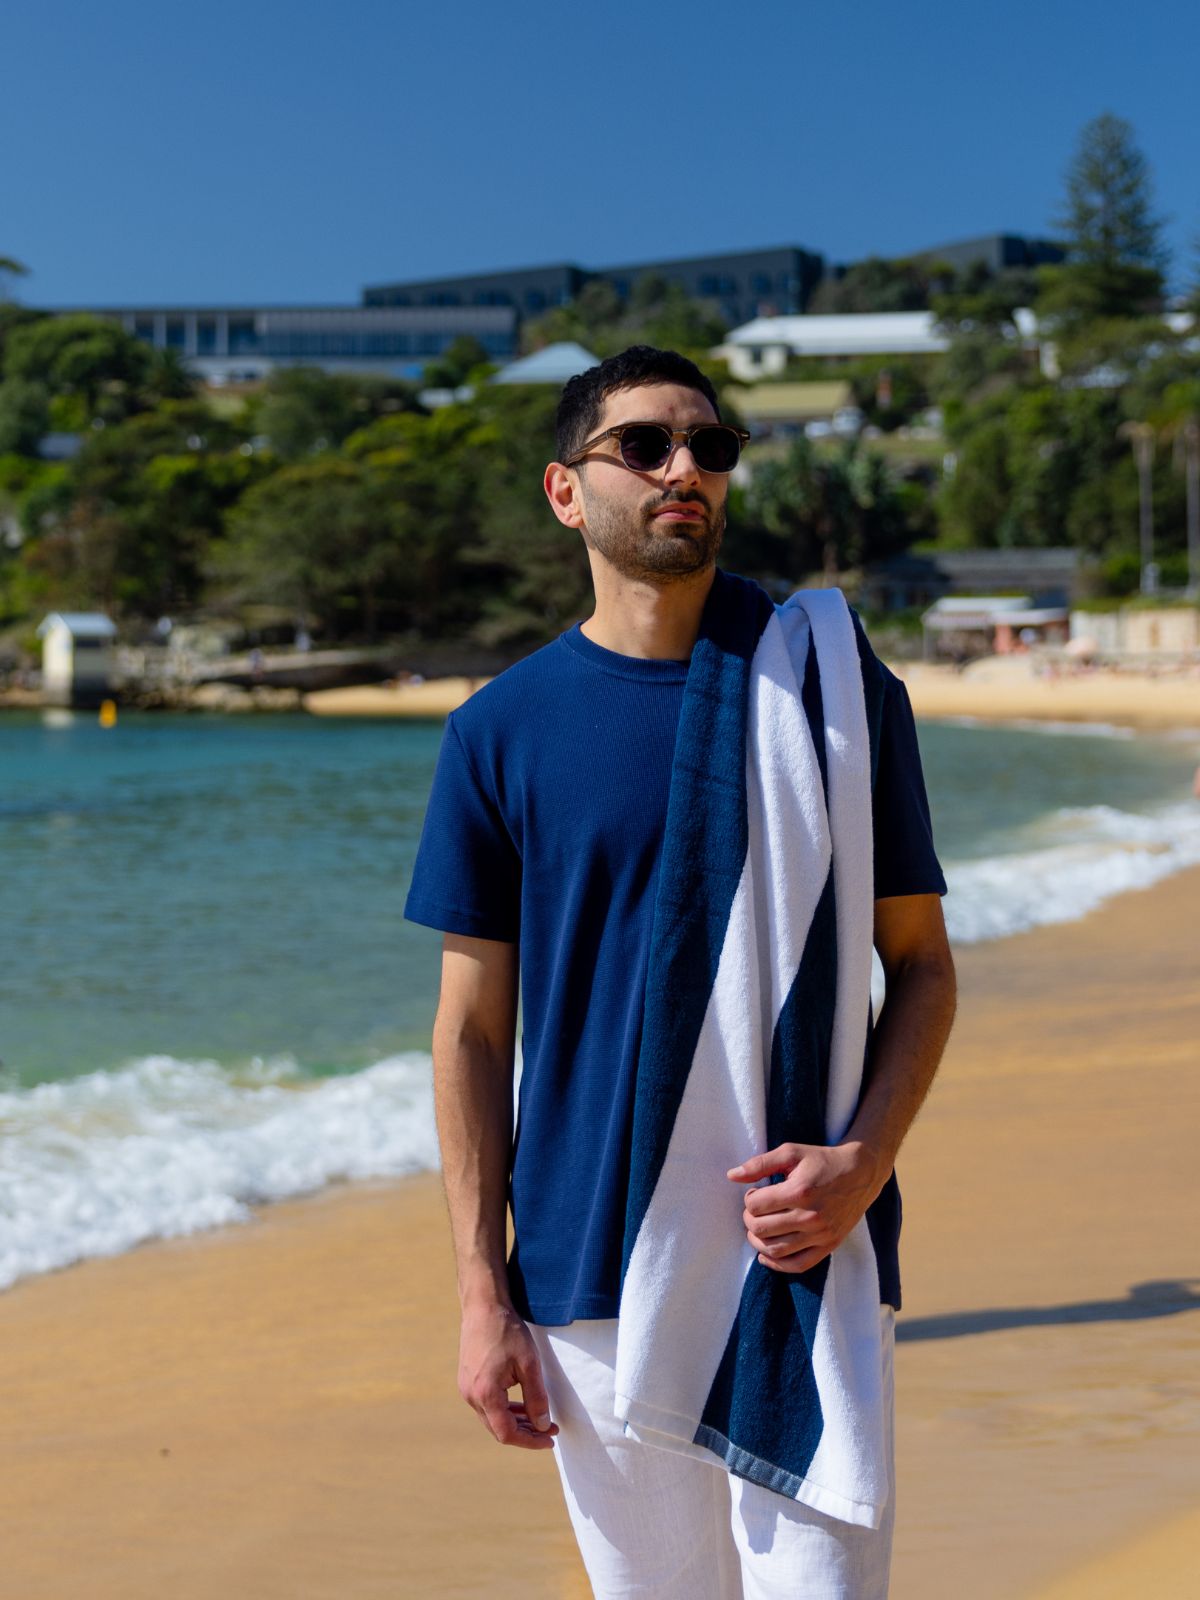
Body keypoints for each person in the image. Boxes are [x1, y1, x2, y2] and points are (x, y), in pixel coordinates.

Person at [404, 346, 957, 1599]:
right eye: (644, 445)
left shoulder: (834, 688)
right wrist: (480, 1294)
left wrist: (862, 1163)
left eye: (710, 448)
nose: (684, 470)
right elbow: (472, 1035)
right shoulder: (499, 731)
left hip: (802, 1250)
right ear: (566, 491)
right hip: (589, 1272)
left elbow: (920, 965)